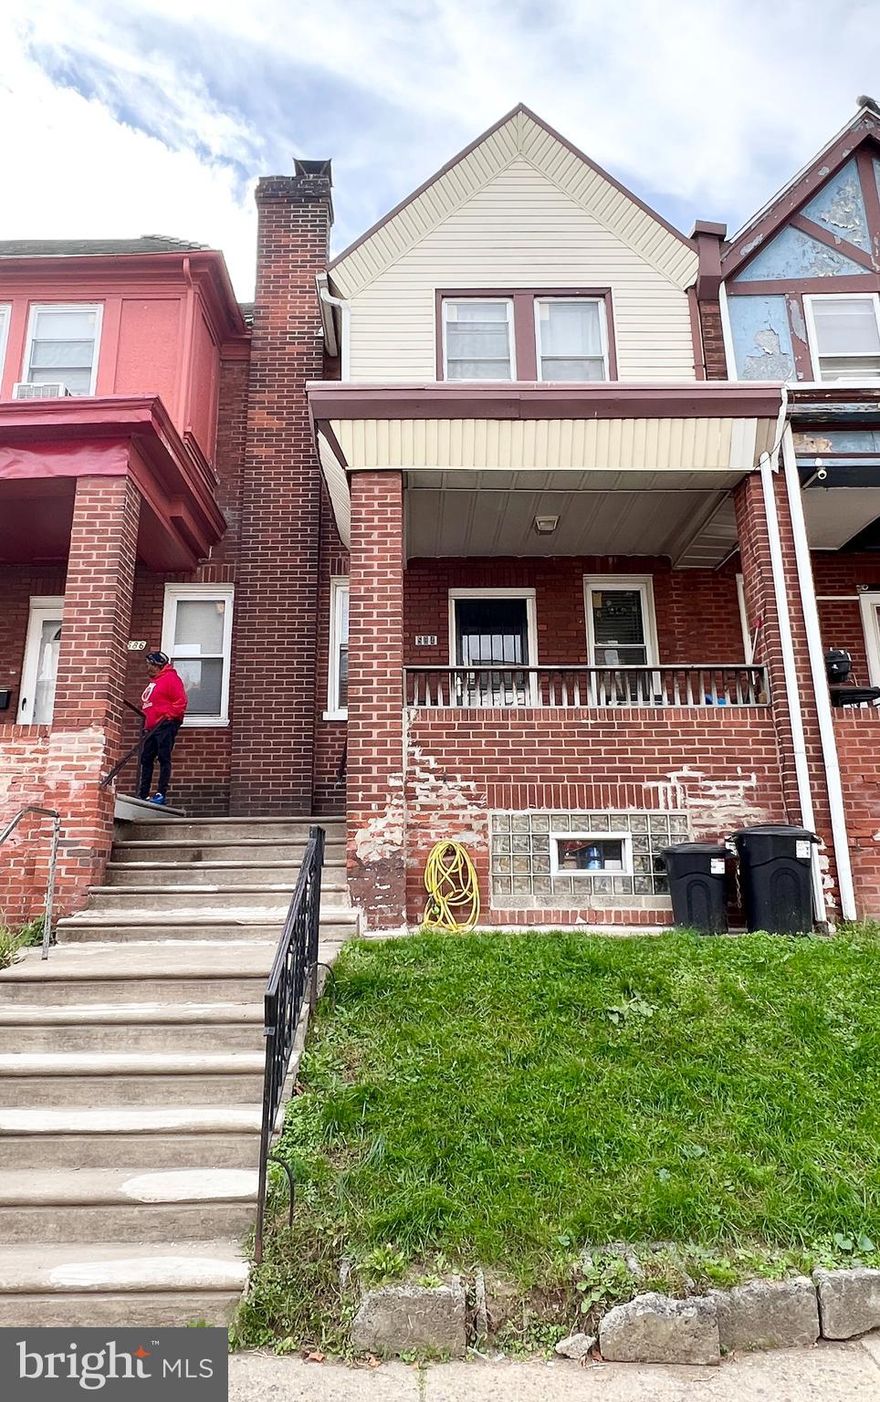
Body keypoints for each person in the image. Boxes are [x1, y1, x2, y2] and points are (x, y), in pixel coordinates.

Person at [138, 651, 188, 805]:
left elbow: (181, 702)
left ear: (157, 665)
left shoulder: (171, 679)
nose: (147, 668)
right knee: (146, 758)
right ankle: (143, 793)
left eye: (149, 665)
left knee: (163, 757)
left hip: (165, 725)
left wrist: (167, 716)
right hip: (152, 727)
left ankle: (161, 793)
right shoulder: (155, 681)